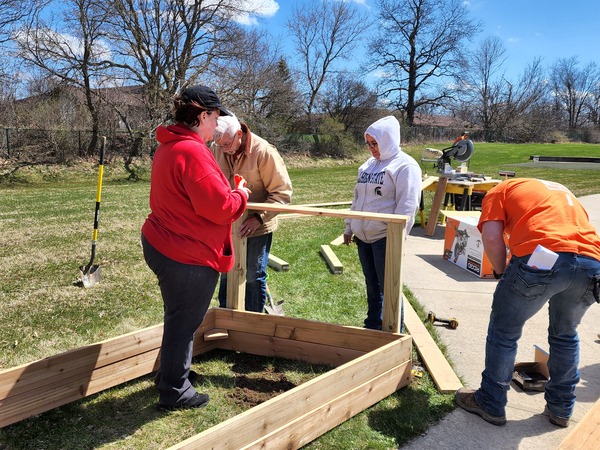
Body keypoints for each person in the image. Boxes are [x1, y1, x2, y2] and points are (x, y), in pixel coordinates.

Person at [455, 178, 600, 427]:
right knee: (565, 334)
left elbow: (491, 236)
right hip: (591, 264)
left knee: (504, 332)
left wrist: (501, 273)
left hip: (543, 257)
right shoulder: (562, 190)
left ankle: (490, 402)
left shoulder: (499, 190)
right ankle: (561, 409)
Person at [141, 85, 251, 411]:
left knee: (178, 319)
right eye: (216, 116)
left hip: (165, 243)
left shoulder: (171, 145)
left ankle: (172, 377)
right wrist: (241, 193)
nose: (218, 123)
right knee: (183, 324)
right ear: (203, 115)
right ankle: (175, 390)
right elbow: (221, 207)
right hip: (186, 255)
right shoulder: (191, 152)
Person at [343, 115, 422, 330]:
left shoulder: (405, 166)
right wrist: (350, 226)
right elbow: (357, 198)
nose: (371, 148)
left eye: (375, 143)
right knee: (372, 284)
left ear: (387, 139)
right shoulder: (368, 166)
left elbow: (408, 205)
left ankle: (395, 330)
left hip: (385, 238)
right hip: (363, 236)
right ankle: (373, 326)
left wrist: (398, 238)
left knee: (390, 287)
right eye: (368, 143)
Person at [211, 114, 292, 312]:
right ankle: (226, 318)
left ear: (239, 134)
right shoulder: (216, 147)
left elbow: (282, 193)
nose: (224, 149)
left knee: (253, 274)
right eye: (220, 145)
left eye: (227, 144)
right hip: (227, 227)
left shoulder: (263, 151)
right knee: (227, 272)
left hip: (257, 226)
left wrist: (258, 217)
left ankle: (255, 321)